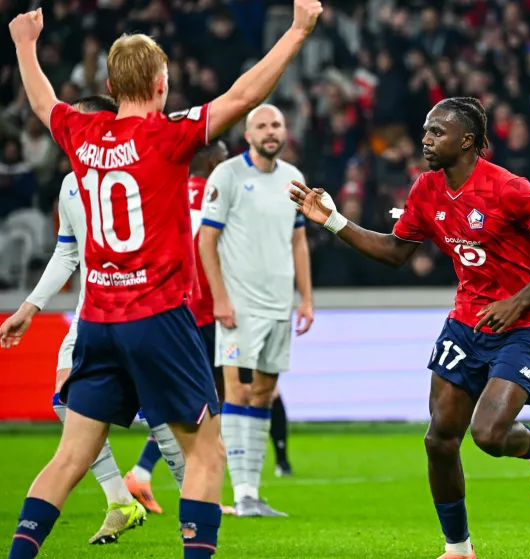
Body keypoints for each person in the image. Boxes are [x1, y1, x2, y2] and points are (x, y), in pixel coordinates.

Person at [3, 2, 321, 558]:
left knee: (70, 458)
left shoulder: (83, 131)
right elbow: (244, 97)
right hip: (159, 320)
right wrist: (297, 31)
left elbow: (41, 101)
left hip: (98, 321)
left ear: (108, 84)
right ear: (160, 84)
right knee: (205, 453)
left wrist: (25, 44)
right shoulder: (168, 135)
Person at [290, 97, 530, 559]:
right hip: (467, 321)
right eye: (426, 131)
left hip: (525, 322)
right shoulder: (426, 189)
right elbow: (395, 252)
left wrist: (519, 300)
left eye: (436, 133)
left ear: (466, 141)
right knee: (439, 439)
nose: (425, 140)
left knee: (489, 435)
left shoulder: (508, 188)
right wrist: (333, 220)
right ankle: (458, 549)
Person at [0, 95, 152, 545]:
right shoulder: (69, 184)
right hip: (91, 314)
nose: (79, 137)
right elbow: (67, 252)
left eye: (88, 126)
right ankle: (121, 500)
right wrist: (29, 306)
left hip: (147, 312)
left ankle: (201, 517)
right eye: (73, 129)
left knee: (169, 424)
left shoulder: (142, 171)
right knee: (66, 400)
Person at [198, 105, 313, 517]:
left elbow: (298, 242)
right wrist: (220, 298)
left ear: (285, 132)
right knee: (237, 390)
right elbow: (206, 242)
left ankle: (253, 493)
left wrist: (306, 297)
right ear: (247, 134)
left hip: (279, 305)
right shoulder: (227, 175)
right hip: (240, 306)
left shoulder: (293, 179)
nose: (270, 131)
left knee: (264, 393)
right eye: (262, 125)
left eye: (276, 125)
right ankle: (242, 490)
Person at [123, 140, 234, 517]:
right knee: (207, 399)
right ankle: (200, 492)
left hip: (170, 302)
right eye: (220, 153)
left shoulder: (166, 187)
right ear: (207, 158)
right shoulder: (211, 192)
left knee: (197, 398)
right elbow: (216, 245)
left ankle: (143, 473)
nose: (225, 159)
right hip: (202, 306)